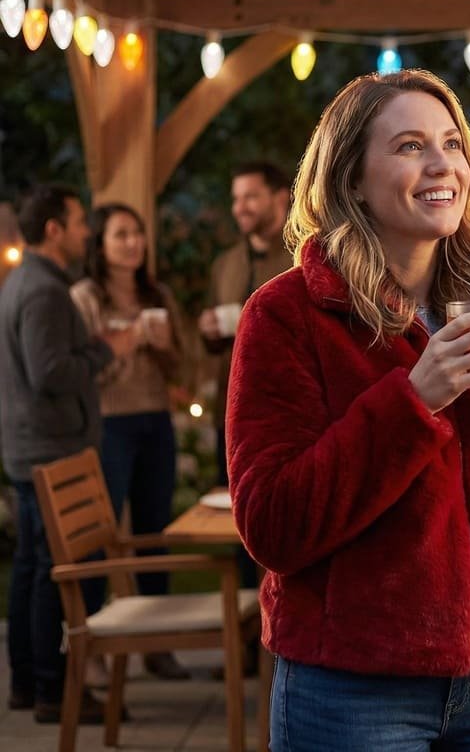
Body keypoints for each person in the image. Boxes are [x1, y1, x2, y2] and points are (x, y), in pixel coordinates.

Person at [227, 69, 470, 751]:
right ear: (350, 179)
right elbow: (272, 526)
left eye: (452, 143)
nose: (441, 165)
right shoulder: (286, 316)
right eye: (409, 146)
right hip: (350, 687)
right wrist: (415, 400)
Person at [0, 184, 137, 723]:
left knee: (33, 566)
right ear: (54, 230)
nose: (87, 232)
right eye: (81, 223)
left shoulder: (25, 283)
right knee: (57, 571)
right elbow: (50, 372)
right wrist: (107, 349)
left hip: (32, 447)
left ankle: (28, 686)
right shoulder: (44, 292)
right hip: (50, 451)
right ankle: (55, 693)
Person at [70, 203, 189, 681]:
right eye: (121, 235)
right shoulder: (85, 298)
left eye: (137, 233)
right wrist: (124, 345)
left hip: (155, 421)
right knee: (99, 537)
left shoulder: (155, 293)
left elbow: (182, 366)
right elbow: (83, 373)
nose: (133, 242)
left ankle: (157, 646)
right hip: (109, 424)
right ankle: (92, 645)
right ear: (99, 244)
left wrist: (161, 347)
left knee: (154, 532)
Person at [198, 161, 292, 486]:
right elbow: (212, 343)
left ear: (280, 198)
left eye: (250, 197)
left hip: (287, 412)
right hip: (232, 412)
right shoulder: (225, 264)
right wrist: (208, 330)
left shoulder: (303, 258)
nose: (240, 208)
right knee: (233, 513)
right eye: (236, 199)